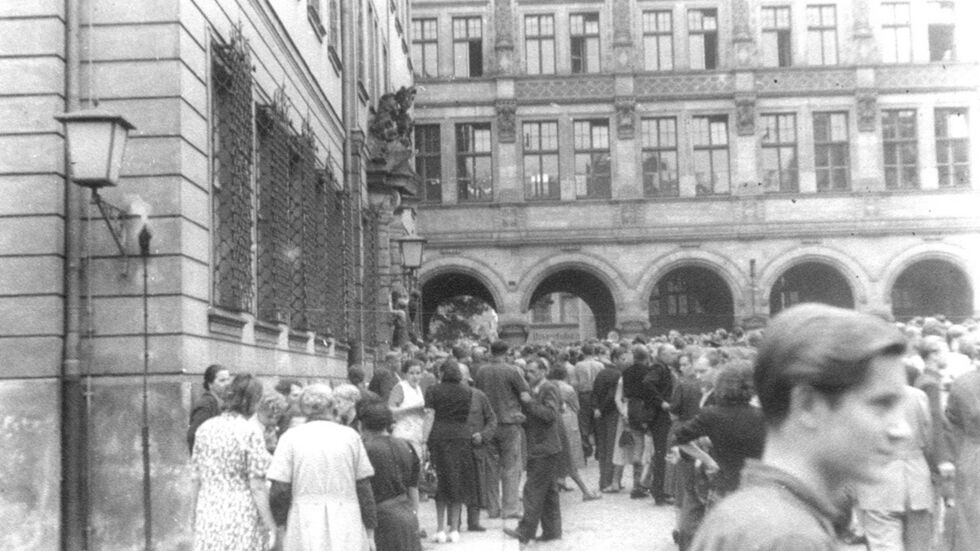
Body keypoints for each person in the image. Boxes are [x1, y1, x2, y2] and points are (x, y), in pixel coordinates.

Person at [691, 303, 911, 551]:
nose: (903, 429)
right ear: (807, 405)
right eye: (881, 404)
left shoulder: (750, 514)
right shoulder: (791, 538)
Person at [268, 384, 377, 551]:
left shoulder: (290, 438)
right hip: (346, 518)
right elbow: (363, 486)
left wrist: (280, 527)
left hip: (303, 519)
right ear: (332, 406)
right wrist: (370, 532)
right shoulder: (350, 437)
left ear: (304, 408)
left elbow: (280, 489)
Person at [191, 373, 277, 550]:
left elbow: (196, 477)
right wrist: (271, 526)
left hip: (209, 509)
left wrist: (193, 513)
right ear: (253, 401)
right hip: (241, 512)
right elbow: (257, 486)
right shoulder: (250, 432)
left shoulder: (205, 428)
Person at [855, 364, 935, 551]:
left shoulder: (864, 398)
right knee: (920, 544)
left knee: (884, 542)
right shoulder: (918, 396)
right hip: (916, 477)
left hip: (878, 478)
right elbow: (928, 437)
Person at [674, 361, 765, 501]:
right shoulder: (763, 416)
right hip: (756, 487)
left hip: (724, 486)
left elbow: (679, 438)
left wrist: (708, 460)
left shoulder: (711, 414)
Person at [503, 357, 563, 544]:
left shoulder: (548, 388)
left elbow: (550, 415)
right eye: (527, 371)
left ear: (544, 372)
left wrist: (529, 404)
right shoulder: (536, 389)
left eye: (533, 371)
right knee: (548, 491)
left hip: (544, 447)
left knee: (533, 490)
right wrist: (524, 418)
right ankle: (552, 530)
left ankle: (525, 530)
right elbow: (539, 417)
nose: (528, 375)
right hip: (542, 446)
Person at [473, 340, 530, 519]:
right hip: (509, 422)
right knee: (511, 466)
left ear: (491, 351)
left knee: (490, 468)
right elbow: (524, 394)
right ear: (506, 352)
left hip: (488, 424)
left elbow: (478, 396)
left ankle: (493, 508)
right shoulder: (512, 370)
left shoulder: (481, 371)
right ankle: (510, 507)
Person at [424, 359, 477, 544]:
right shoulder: (467, 391)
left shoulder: (432, 390)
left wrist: (424, 440)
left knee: (440, 482)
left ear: (441, 373)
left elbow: (429, 415)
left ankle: (440, 529)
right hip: (461, 437)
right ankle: (454, 529)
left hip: (439, 437)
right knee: (457, 481)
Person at [360, 400, 423, 551]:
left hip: (380, 520)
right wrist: (414, 515)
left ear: (362, 425)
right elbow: (413, 488)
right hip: (407, 515)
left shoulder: (365, 449)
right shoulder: (407, 446)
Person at [548, 362, 601, 501]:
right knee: (569, 454)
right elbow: (576, 407)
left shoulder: (546, 387)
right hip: (568, 420)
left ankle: (560, 480)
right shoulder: (568, 389)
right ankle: (584, 490)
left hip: (551, 423)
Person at [945, 348, 980, 551]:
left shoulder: (962, 382)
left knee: (970, 519)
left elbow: (951, 420)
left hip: (970, 454)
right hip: (972, 452)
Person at [464, 379, 497, 533]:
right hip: (457, 446)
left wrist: (483, 435)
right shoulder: (449, 397)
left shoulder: (479, 396)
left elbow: (491, 419)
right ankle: (454, 523)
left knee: (477, 484)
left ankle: (473, 522)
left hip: (476, 447)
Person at [593, 353, 624, 493]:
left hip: (600, 415)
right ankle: (610, 481)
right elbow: (612, 396)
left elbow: (594, 393)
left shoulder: (600, 374)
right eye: (622, 359)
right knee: (612, 448)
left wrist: (596, 408)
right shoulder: (618, 374)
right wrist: (602, 408)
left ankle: (602, 481)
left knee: (603, 448)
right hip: (612, 414)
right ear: (615, 359)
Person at [187, 363, 232, 453]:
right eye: (222, 381)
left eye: (228, 380)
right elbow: (193, 436)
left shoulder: (222, 401)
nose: (227, 384)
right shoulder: (206, 405)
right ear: (210, 384)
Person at [389, 359, 428, 460]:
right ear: (405, 374)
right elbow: (390, 411)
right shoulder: (400, 387)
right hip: (404, 435)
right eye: (411, 373)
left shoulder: (418, 388)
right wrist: (412, 410)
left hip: (417, 434)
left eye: (418, 373)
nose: (415, 376)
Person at [571, 343, 604, 459]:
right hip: (597, 394)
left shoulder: (578, 365)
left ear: (583, 352)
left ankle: (586, 448)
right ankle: (600, 449)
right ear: (594, 352)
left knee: (584, 422)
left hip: (584, 395)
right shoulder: (600, 365)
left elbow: (575, 383)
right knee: (598, 422)